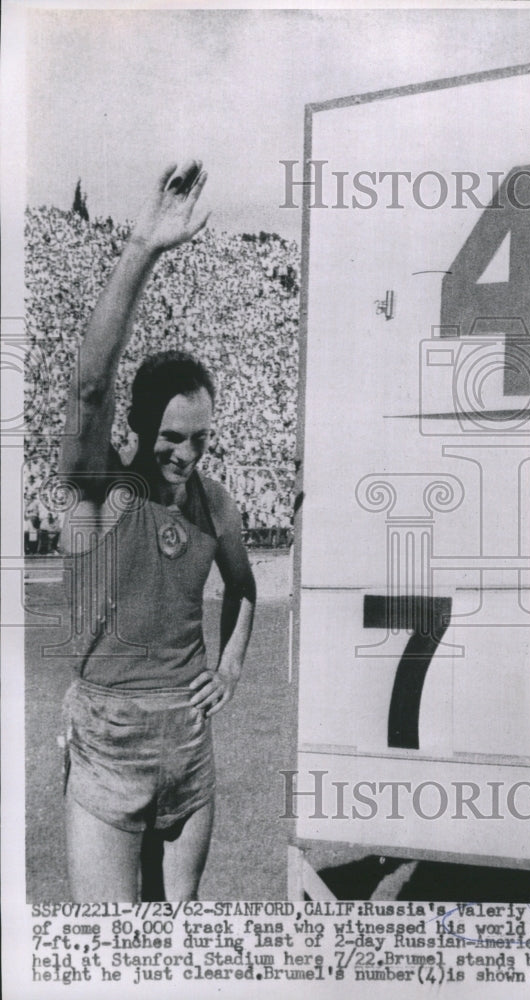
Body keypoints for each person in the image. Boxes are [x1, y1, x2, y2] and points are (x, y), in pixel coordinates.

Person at [58, 161, 256, 901]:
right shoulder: (101, 492)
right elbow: (86, 389)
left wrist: (230, 665)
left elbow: (243, 588)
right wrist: (143, 247)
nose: (187, 454)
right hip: (111, 749)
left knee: (179, 952)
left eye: (202, 439)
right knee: (116, 960)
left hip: (191, 751)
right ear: (138, 429)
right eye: (173, 437)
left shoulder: (217, 502)